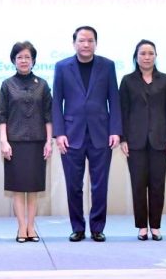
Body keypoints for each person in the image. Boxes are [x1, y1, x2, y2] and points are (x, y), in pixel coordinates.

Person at [52, 25, 121, 242]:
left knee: (100, 185)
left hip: (101, 133)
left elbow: (114, 99)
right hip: (71, 135)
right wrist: (59, 133)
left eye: (90, 41)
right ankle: (78, 228)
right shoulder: (62, 67)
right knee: (74, 185)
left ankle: (97, 227)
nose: (86, 44)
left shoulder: (107, 66)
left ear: (96, 43)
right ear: (74, 43)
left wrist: (115, 130)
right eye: (81, 40)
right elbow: (57, 102)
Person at [119, 39, 166, 241]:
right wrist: (123, 138)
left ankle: (155, 226)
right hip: (135, 142)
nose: (147, 57)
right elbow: (123, 111)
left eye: (150, 53)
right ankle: (141, 227)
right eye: (142, 53)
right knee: (138, 185)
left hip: (160, 141)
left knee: (157, 185)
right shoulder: (127, 81)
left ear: (156, 56)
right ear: (136, 57)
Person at [0, 41, 53, 243]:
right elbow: (1, 115)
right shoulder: (7, 84)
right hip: (15, 143)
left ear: (33, 60)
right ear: (13, 60)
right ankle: (21, 227)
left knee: (34, 188)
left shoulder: (42, 84)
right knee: (18, 188)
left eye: (27, 57)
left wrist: (49, 142)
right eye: (19, 57)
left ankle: (31, 227)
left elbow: (48, 115)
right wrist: (3, 141)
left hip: (37, 142)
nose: (24, 60)